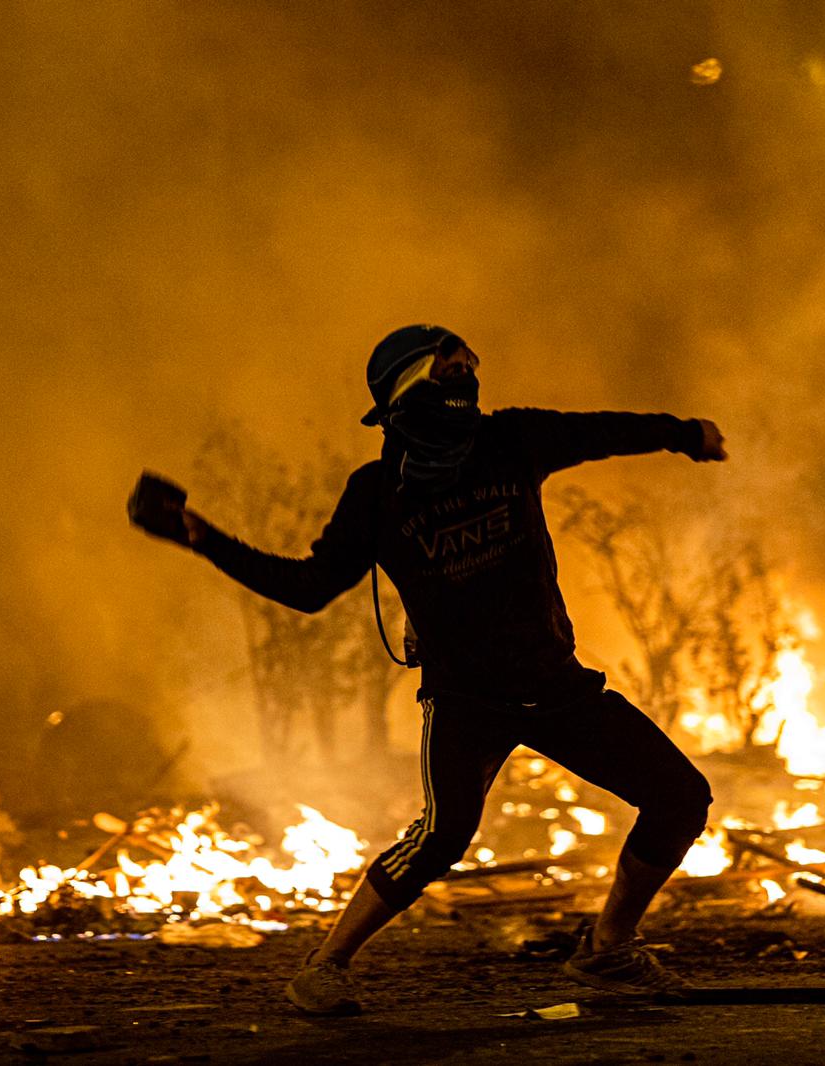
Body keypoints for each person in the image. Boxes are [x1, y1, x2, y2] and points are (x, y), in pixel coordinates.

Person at [130, 324, 724, 1014]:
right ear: (408, 389)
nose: (469, 377)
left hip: (555, 686)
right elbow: (310, 587)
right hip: (467, 701)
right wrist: (202, 538)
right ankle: (323, 970)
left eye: (471, 366)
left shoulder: (511, 441)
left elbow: (600, 431)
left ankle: (608, 951)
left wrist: (682, 432)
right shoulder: (377, 494)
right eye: (451, 369)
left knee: (681, 798)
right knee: (442, 836)